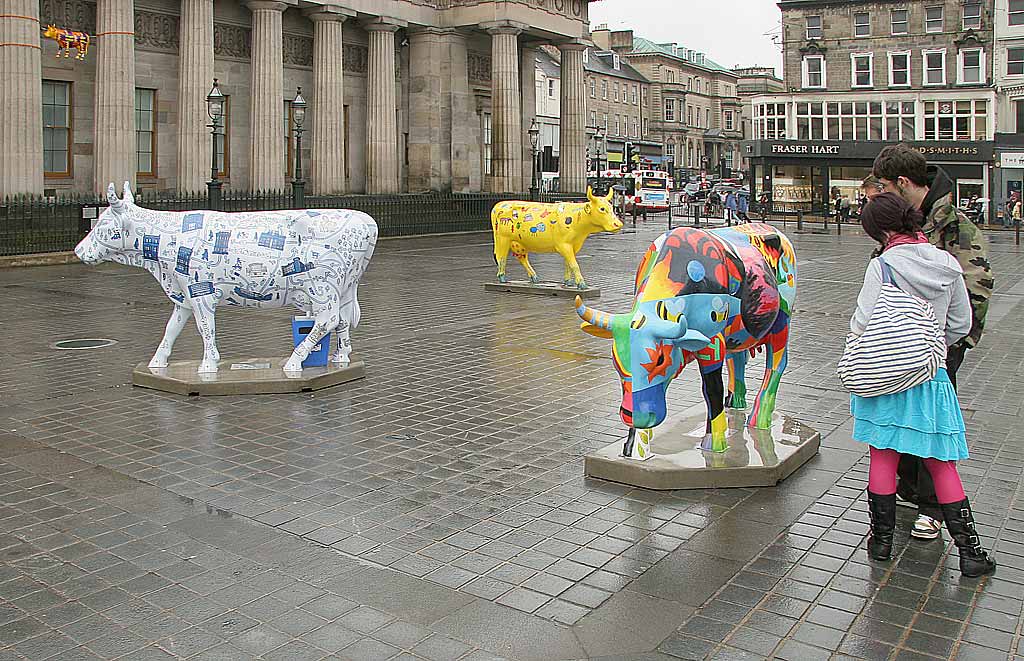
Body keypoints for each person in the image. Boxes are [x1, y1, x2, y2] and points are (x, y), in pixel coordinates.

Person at [850, 193, 995, 577]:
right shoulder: (946, 262)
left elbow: (863, 322)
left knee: (882, 456)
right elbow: (962, 324)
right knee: (940, 463)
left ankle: (880, 543)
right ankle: (971, 553)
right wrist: (932, 344)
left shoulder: (883, 266)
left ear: (882, 230)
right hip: (931, 376)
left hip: (886, 379)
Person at [872, 144, 993, 542]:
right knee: (902, 420)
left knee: (933, 426)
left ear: (903, 183)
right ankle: (907, 489)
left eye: (886, 186)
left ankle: (931, 507)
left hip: (937, 350)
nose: (882, 192)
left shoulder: (955, 227)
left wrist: (950, 345)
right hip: (897, 348)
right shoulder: (907, 221)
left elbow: (975, 290)